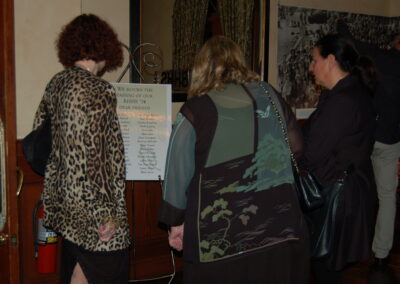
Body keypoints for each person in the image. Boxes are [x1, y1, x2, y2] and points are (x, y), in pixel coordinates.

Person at [158, 35, 309, 283]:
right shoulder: (269, 94)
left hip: (221, 238)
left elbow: (177, 172)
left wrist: (175, 223)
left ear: (201, 69)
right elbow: (297, 147)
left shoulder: (196, 110)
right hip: (279, 227)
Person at [32, 14, 130, 284]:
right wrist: (106, 215)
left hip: (64, 204)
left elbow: (39, 135)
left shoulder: (56, 84)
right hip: (93, 206)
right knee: (106, 269)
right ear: (103, 48)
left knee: (79, 268)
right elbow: (100, 159)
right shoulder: (100, 90)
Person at [303, 33, 377, 283]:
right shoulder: (346, 93)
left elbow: (313, 153)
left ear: (331, 60)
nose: (311, 67)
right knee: (325, 264)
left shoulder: (343, 100)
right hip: (343, 190)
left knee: (324, 264)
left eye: (314, 60)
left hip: (339, 195)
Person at [337, 20, 400, 271]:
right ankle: (382, 254)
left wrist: (343, 28)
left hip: (365, 137)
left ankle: (352, 248)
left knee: (355, 192)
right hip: (391, 138)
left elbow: (355, 45)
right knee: (386, 198)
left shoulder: (382, 58)